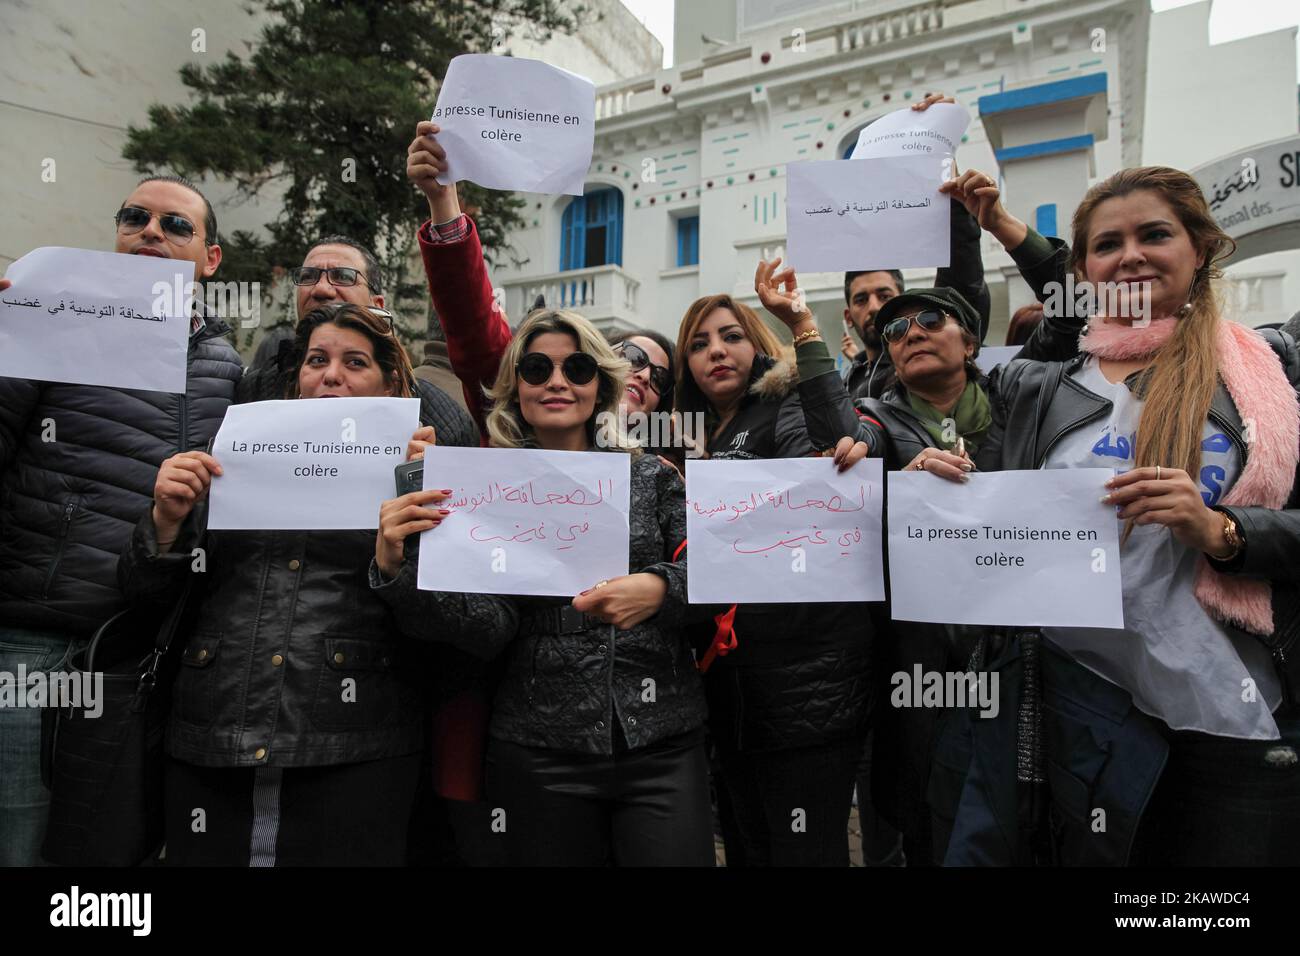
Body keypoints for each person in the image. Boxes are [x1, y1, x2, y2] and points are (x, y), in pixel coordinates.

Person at [931, 165, 1300, 865]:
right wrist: (944, 480)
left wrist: (1224, 531)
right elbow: (987, 524)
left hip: (1234, 716)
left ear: (1200, 247)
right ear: (1083, 269)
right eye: (1107, 244)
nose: (1130, 255)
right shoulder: (1035, 387)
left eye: (1154, 234)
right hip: (1083, 711)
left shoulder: (1274, 371)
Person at [756, 167, 1085, 866]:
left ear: (969, 341)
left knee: (1040, 820)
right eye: (895, 328)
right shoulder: (877, 418)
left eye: (929, 319)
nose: (909, 331)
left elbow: (1075, 304)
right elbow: (838, 434)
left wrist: (999, 225)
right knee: (933, 823)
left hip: (1036, 653)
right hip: (924, 667)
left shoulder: (1024, 389)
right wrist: (805, 328)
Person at [369, 308, 717, 866]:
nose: (557, 381)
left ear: (599, 385)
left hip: (661, 741)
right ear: (515, 389)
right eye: (537, 368)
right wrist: (396, 567)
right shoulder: (484, 485)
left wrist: (658, 589)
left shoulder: (650, 475)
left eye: (576, 368)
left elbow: (720, 570)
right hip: (538, 747)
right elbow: (484, 627)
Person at [117, 302, 456, 866]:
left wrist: (422, 515)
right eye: (317, 360)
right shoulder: (238, 453)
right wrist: (166, 521)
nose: (331, 375)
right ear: (298, 376)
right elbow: (144, 595)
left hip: (354, 741)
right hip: (215, 731)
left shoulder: (420, 472)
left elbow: (452, 624)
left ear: (390, 382)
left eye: (355, 362)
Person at [0, 174, 243, 867]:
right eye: (135, 217)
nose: (150, 233)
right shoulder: (47, 321)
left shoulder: (230, 372)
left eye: (175, 226)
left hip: (146, 657)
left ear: (211, 259)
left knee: (107, 858)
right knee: (17, 847)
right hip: (34, 642)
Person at [672, 292, 872, 866]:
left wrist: (804, 327)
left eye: (731, 336)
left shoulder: (786, 406)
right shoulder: (692, 433)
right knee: (747, 845)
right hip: (732, 688)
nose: (716, 351)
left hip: (806, 686)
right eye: (699, 344)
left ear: (757, 343)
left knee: (804, 850)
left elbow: (830, 446)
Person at [237, 233, 477, 449]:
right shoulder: (255, 392)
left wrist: (427, 475)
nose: (321, 289)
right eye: (308, 276)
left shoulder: (441, 421)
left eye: (343, 277)